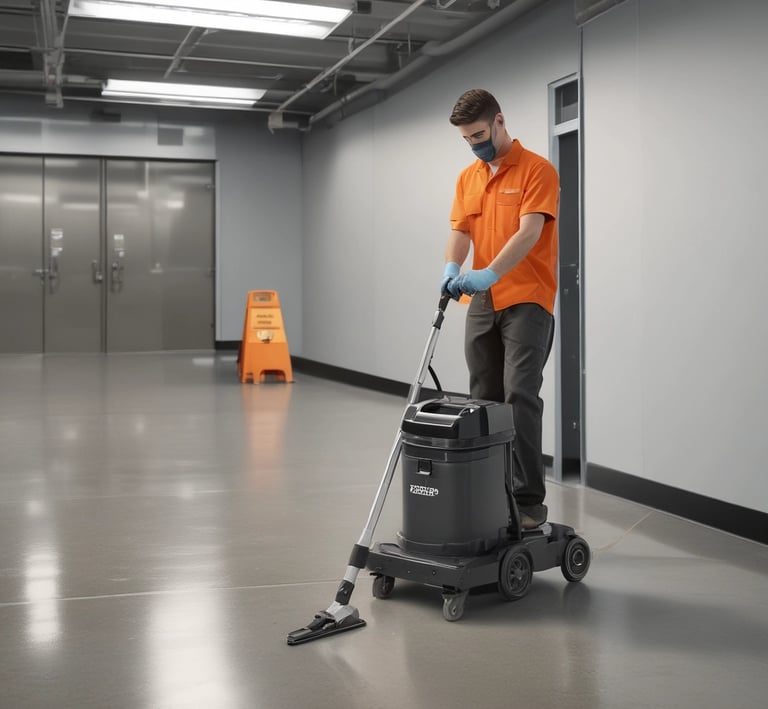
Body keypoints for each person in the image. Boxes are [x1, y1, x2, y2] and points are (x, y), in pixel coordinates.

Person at [441, 88, 559, 530]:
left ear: (499, 121)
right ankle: (490, 492)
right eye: (466, 139)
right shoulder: (468, 178)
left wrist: (489, 272)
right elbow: (460, 230)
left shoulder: (537, 170)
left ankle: (528, 502)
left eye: (478, 135)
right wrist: (452, 267)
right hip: (482, 300)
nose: (474, 144)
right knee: (482, 397)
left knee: (518, 394)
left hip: (528, 297)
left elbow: (530, 232)